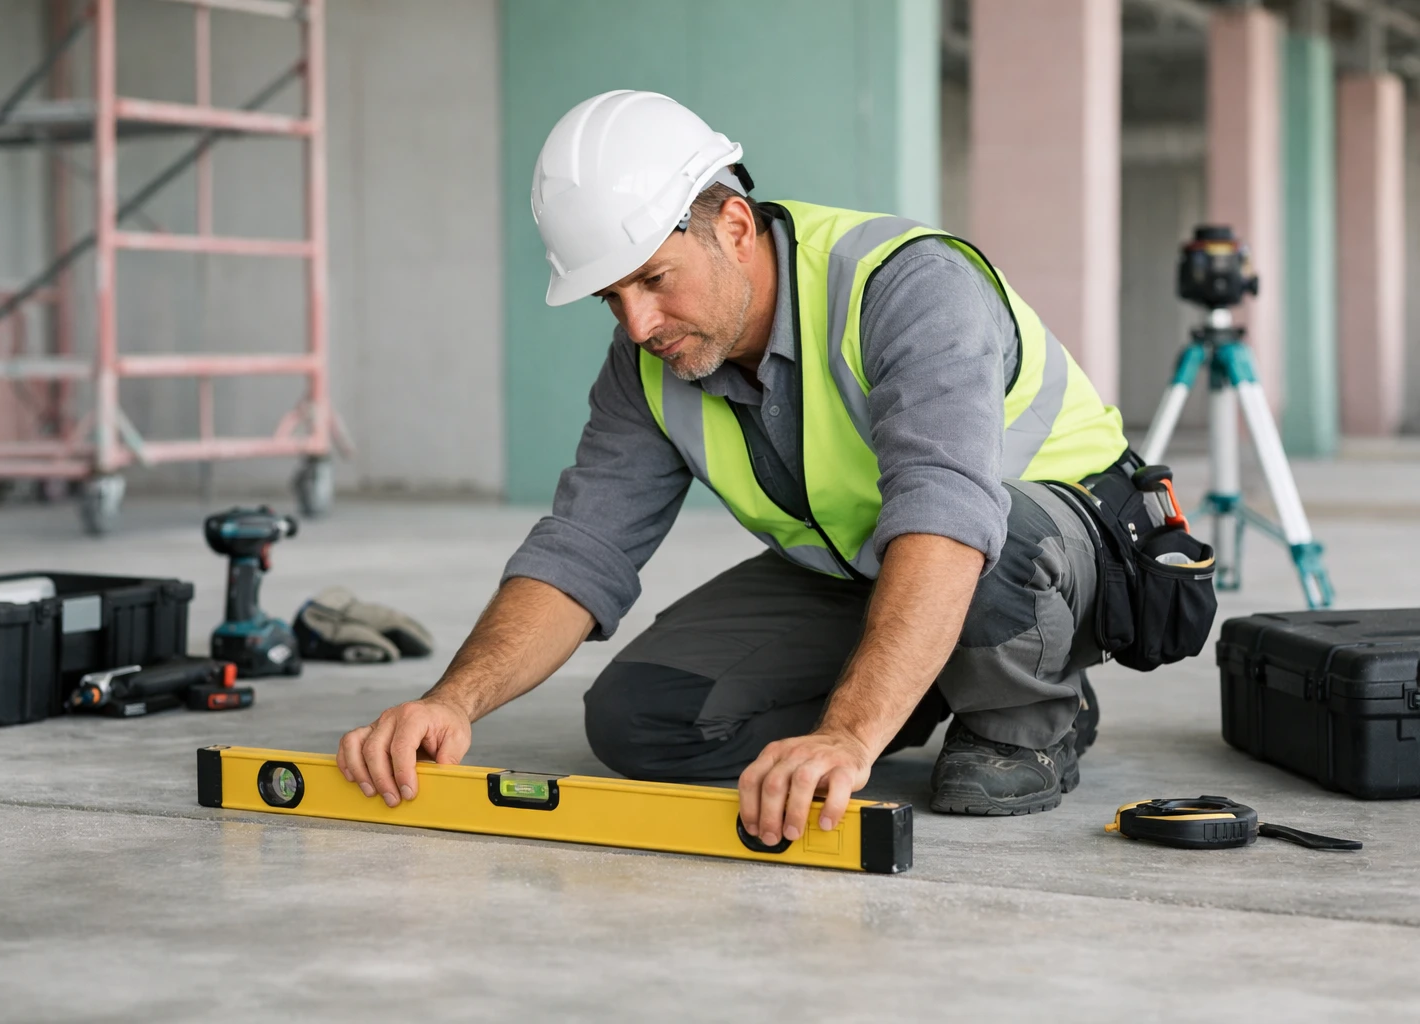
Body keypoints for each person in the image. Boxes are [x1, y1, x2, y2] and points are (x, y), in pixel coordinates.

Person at [339, 90, 1135, 848]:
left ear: (735, 226)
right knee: (642, 718)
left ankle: (1029, 717)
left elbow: (946, 516)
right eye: (611, 299)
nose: (638, 323)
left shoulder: (907, 287)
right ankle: (931, 678)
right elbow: (582, 549)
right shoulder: (649, 360)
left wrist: (848, 733)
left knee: (982, 539)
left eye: (653, 279)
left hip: (1063, 548)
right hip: (868, 563)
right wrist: (451, 701)